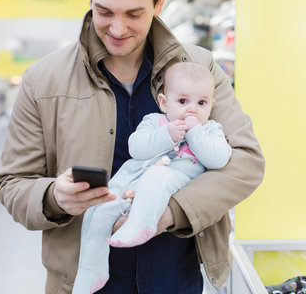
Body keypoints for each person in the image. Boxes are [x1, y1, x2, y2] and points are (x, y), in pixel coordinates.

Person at [0, 0, 264, 293]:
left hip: (175, 277)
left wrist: (168, 213)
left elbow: (246, 161)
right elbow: (14, 183)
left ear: (159, 1)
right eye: (104, 12)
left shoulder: (200, 69)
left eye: (134, 13)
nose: (118, 29)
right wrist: (54, 197)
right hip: (80, 279)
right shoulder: (43, 81)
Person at [73, 62, 232, 293]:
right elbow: (135, 148)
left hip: (177, 180)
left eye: (202, 103)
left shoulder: (210, 130)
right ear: (163, 102)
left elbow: (218, 159)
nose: (192, 110)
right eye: (182, 101)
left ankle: (141, 225)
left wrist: (195, 133)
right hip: (133, 183)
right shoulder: (154, 122)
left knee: (158, 175)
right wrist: (166, 135)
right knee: (97, 212)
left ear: (212, 105)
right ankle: (91, 270)